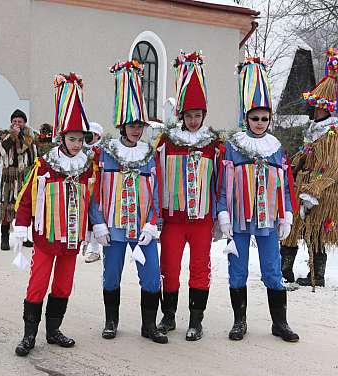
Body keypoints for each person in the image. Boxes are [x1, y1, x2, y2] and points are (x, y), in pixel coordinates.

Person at [13, 73, 95, 357]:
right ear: (63, 137)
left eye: (80, 139)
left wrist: (95, 228)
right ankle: (29, 334)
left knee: (63, 285)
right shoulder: (45, 166)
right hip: (46, 236)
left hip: (72, 238)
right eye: (72, 138)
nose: (76, 143)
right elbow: (27, 197)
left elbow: (92, 200)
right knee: (37, 284)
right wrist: (21, 226)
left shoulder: (87, 167)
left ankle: (53, 330)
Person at [218, 57, 299, 342]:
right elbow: (223, 185)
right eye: (255, 118)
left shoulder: (276, 148)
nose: (260, 123)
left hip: (267, 218)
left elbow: (285, 186)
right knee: (237, 269)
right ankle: (239, 322)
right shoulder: (234, 147)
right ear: (246, 118)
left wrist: (286, 213)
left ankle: (280, 323)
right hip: (239, 219)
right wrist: (223, 213)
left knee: (272, 270)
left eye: (265, 119)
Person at [90, 60, 166, 344]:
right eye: (132, 124)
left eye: (140, 125)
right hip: (114, 228)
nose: (136, 130)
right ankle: (111, 321)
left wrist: (152, 223)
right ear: (123, 125)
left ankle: (149, 325)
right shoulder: (106, 153)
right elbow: (95, 191)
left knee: (150, 275)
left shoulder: (149, 153)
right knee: (111, 276)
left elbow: (157, 192)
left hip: (143, 230)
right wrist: (97, 223)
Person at [155, 51, 224, 341]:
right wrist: (155, 214)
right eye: (189, 115)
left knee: (200, 269)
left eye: (198, 116)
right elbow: (155, 178)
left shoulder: (213, 144)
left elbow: (221, 182)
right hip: (173, 219)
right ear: (181, 115)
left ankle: (196, 320)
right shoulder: (167, 142)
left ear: (203, 116)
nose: (193, 120)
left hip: (201, 220)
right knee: (168, 268)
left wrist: (220, 216)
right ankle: (168, 316)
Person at [280, 48, 338, 288]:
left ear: (330, 109)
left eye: (320, 108)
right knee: (292, 230)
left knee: (316, 233)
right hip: (301, 187)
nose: (316, 111)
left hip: (321, 194)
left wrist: (312, 193)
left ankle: (318, 275)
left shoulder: (332, 136)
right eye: (314, 107)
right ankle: (284, 270)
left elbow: (330, 169)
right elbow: (304, 158)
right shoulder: (313, 132)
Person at [0, 109, 37, 251]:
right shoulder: (4, 135)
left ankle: (22, 236)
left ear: (24, 123)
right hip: (9, 177)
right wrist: (12, 137)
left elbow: (31, 154)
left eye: (20, 121)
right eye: (14, 121)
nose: (17, 123)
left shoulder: (29, 136)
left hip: (25, 176)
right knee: (7, 206)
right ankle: (4, 238)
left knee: (24, 206)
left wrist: (21, 137)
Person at [83, 121, 104, 263]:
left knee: (95, 217)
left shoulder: (101, 150)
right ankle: (87, 245)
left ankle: (95, 250)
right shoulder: (82, 149)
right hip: (85, 187)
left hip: (96, 188)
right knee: (86, 218)